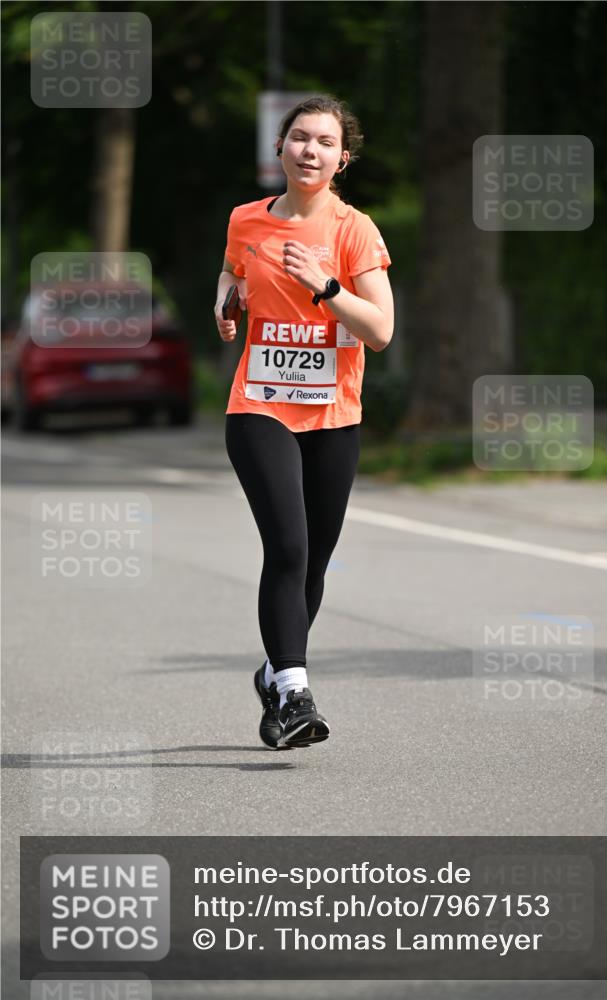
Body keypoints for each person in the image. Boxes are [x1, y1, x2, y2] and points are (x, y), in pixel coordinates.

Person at [214, 94, 393, 751]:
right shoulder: (246, 220)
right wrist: (225, 308)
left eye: (323, 141)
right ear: (279, 149)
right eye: (298, 138)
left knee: (313, 561)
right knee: (286, 547)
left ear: (341, 159)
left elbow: (379, 330)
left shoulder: (354, 231)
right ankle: (293, 689)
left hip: (332, 413)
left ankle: (272, 667)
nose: (309, 150)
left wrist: (326, 284)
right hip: (258, 404)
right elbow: (231, 273)